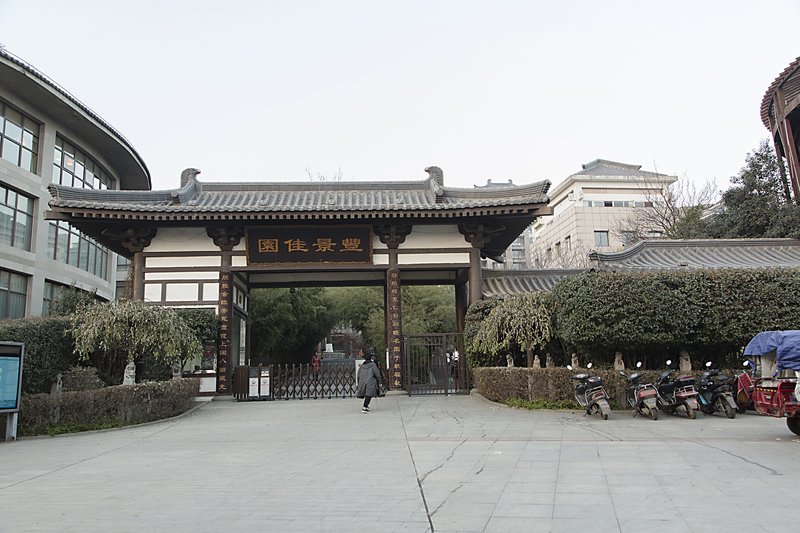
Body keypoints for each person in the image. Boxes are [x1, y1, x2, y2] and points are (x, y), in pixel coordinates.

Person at [356, 349, 382, 413]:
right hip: (371, 381)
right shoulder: (373, 365)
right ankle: (364, 407)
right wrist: (379, 382)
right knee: (369, 395)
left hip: (363, 382)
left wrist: (359, 383)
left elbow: (358, 375)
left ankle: (366, 406)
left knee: (368, 394)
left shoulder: (362, 366)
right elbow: (377, 373)